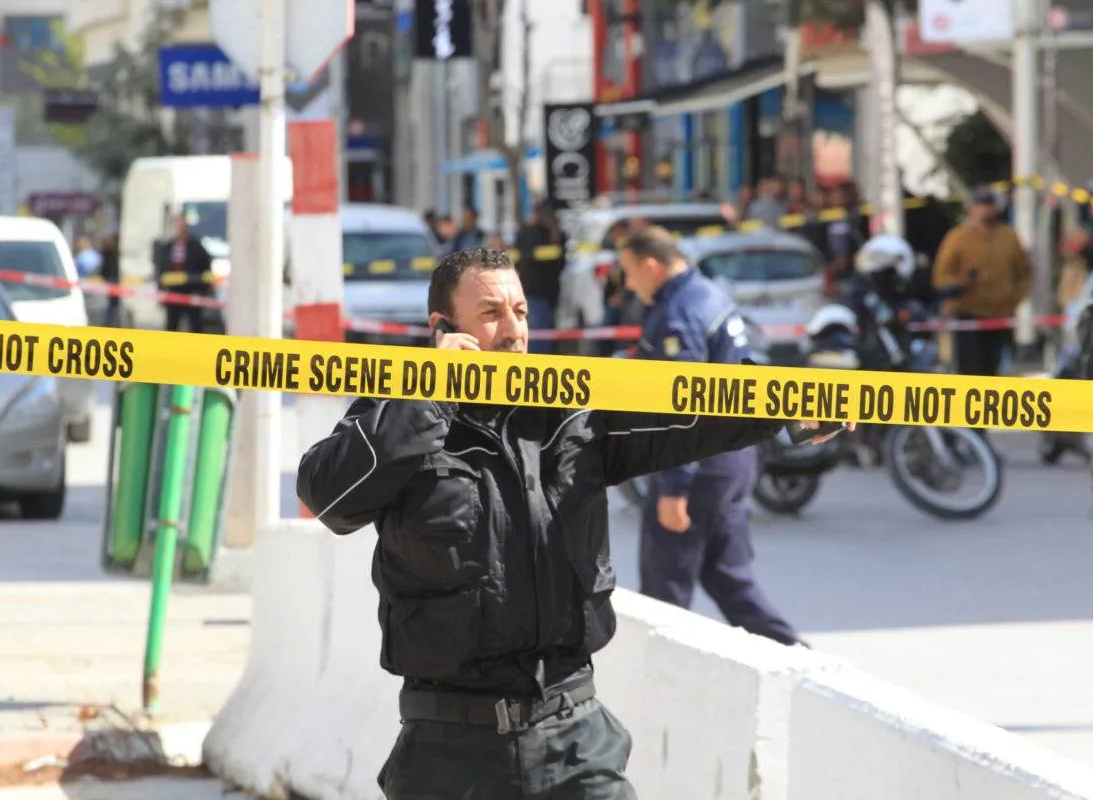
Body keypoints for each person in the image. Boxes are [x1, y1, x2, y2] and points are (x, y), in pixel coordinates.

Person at [296, 246, 847, 799]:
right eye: (491, 314)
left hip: (574, 741)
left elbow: (686, 412)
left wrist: (781, 401)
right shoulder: (399, 412)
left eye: (520, 311)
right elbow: (328, 496)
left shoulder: (571, 409)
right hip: (448, 751)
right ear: (442, 328)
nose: (513, 331)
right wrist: (428, 397)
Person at [616, 226, 804, 647]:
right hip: (733, 460)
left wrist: (675, 486)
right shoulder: (707, 294)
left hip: (699, 468)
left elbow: (682, 406)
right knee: (732, 582)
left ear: (651, 265)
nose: (627, 283)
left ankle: (658, 692)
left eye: (628, 271)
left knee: (661, 602)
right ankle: (805, 666)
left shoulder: (678, 312)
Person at [931, 186, 1033, 377]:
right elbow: (941, 275)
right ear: (971, 209)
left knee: (994, 369)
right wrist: (961, 283)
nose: (986, 210)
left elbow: (1024, 273)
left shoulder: (1009, 237)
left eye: (989, 205)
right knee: (970, 371)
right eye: (981, 205)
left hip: (999, 315)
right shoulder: (957, 237)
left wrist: (1013, 300)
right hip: (968, 315)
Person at [512, 200, 568, 354]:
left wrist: (555, 234)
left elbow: (560, 261)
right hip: (534, 292)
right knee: (537, 335)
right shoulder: (530, 233)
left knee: (545, 334)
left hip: (547, 292)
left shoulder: (555, 234)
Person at [154, 214, 214, 333]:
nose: (180, 228)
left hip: (191, 291)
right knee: (171, 325)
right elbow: (161, 270)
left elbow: (206, 269)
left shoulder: (196, 246)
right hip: (173, 292)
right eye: (178, 225)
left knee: (195, 325)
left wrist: (202, 291)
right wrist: (161, 290)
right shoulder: (168, 246)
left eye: (182, 225)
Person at [98, 232, 121, 326]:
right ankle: (108, 322)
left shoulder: (108, 252)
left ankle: (110, 322)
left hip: (111, 280)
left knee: (112, 304)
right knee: (111, 304)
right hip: (111, 280)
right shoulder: (109, 252)